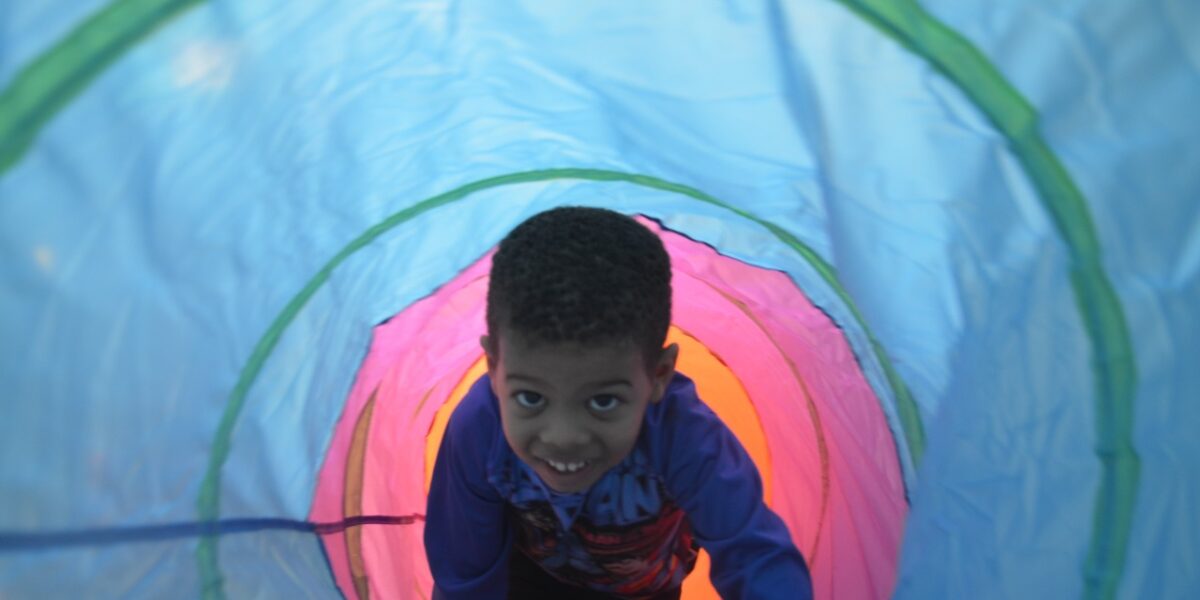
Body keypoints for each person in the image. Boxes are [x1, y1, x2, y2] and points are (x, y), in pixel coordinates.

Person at [424, 207, 812, 599]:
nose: (564, 437)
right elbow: (464, 571)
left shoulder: (685, 436)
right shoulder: (478, 429)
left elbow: (754, 553)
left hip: (646, 590)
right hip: (528, 579)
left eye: (603, 401)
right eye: (531, 397)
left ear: (658, 376)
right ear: (494, 368)